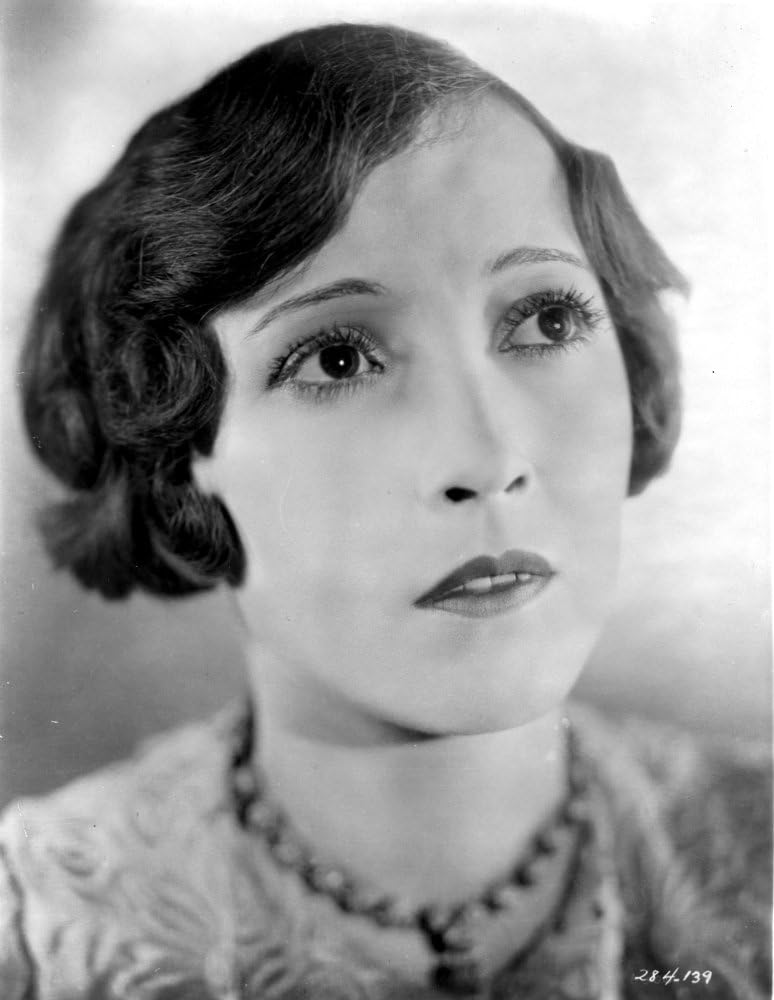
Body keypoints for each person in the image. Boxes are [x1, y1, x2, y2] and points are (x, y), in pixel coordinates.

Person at [0, 21, 769, 1000]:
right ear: (172, 438)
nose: (488, 459)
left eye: (547, 318)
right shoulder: (35, 938)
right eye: (338, 357)